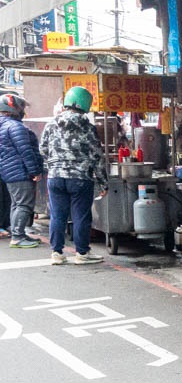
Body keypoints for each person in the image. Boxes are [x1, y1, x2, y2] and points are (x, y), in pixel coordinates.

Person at [40, 86, 108, 265]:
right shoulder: (87, 127)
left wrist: (54, 164)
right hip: (80, 178)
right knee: (81, 216)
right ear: (86, 104)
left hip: (55, 177)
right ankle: (82, 253)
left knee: (57, 215)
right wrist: (103, 182)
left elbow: (43, 149)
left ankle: (56, 253)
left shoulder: (51, 124)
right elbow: (97, 156)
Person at [0, 94, 44, 248]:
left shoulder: (4, 126)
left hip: (9, 172)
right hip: (20, 172)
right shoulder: (15, 127)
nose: (23, 111)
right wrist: (35, 171)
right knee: (24, 205)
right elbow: (26, 152)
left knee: (16, 204)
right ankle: (18, 237)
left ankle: (18, 233)